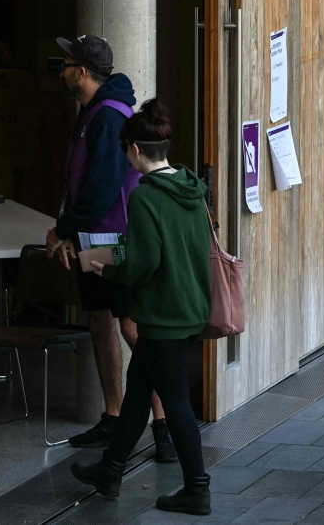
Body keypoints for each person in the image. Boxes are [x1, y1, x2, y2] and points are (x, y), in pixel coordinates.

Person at [70, 100, 212, 515]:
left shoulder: (146, 197)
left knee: (178, 405)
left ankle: (198, 489)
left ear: (134, 150)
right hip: (186, 307)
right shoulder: (189, 187)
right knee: (136, 396)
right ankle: (110, 472)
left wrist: (104, 268)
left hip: (162, 315)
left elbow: (142, 265)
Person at [47, 35, 176, 462]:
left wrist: (64, 228)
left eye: (65, 64)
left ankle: (163, 426)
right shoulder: (94, 112)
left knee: (131, 327)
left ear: (81, 72)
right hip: (98, 238)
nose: (61, 70)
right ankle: (114, 416)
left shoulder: (106, 117)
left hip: (116, 241)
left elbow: (100, 188)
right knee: (102, 322)